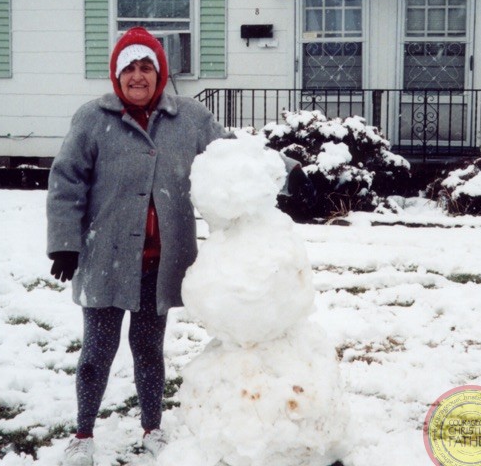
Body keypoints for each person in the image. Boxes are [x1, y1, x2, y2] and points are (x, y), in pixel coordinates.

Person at [47, 27, 314, 465]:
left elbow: (233, 154)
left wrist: (288, 171)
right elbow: (66, 182)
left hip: (159, 261)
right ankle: (83, 434)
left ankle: (152, 427)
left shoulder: (188, 118)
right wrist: (64, 243)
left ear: (160, 72)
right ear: (117, 76)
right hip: (104, 258)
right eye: (129, 68)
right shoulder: (92, 119)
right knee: (97, 351)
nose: (138, 77)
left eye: (146, 67)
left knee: (149, 350)